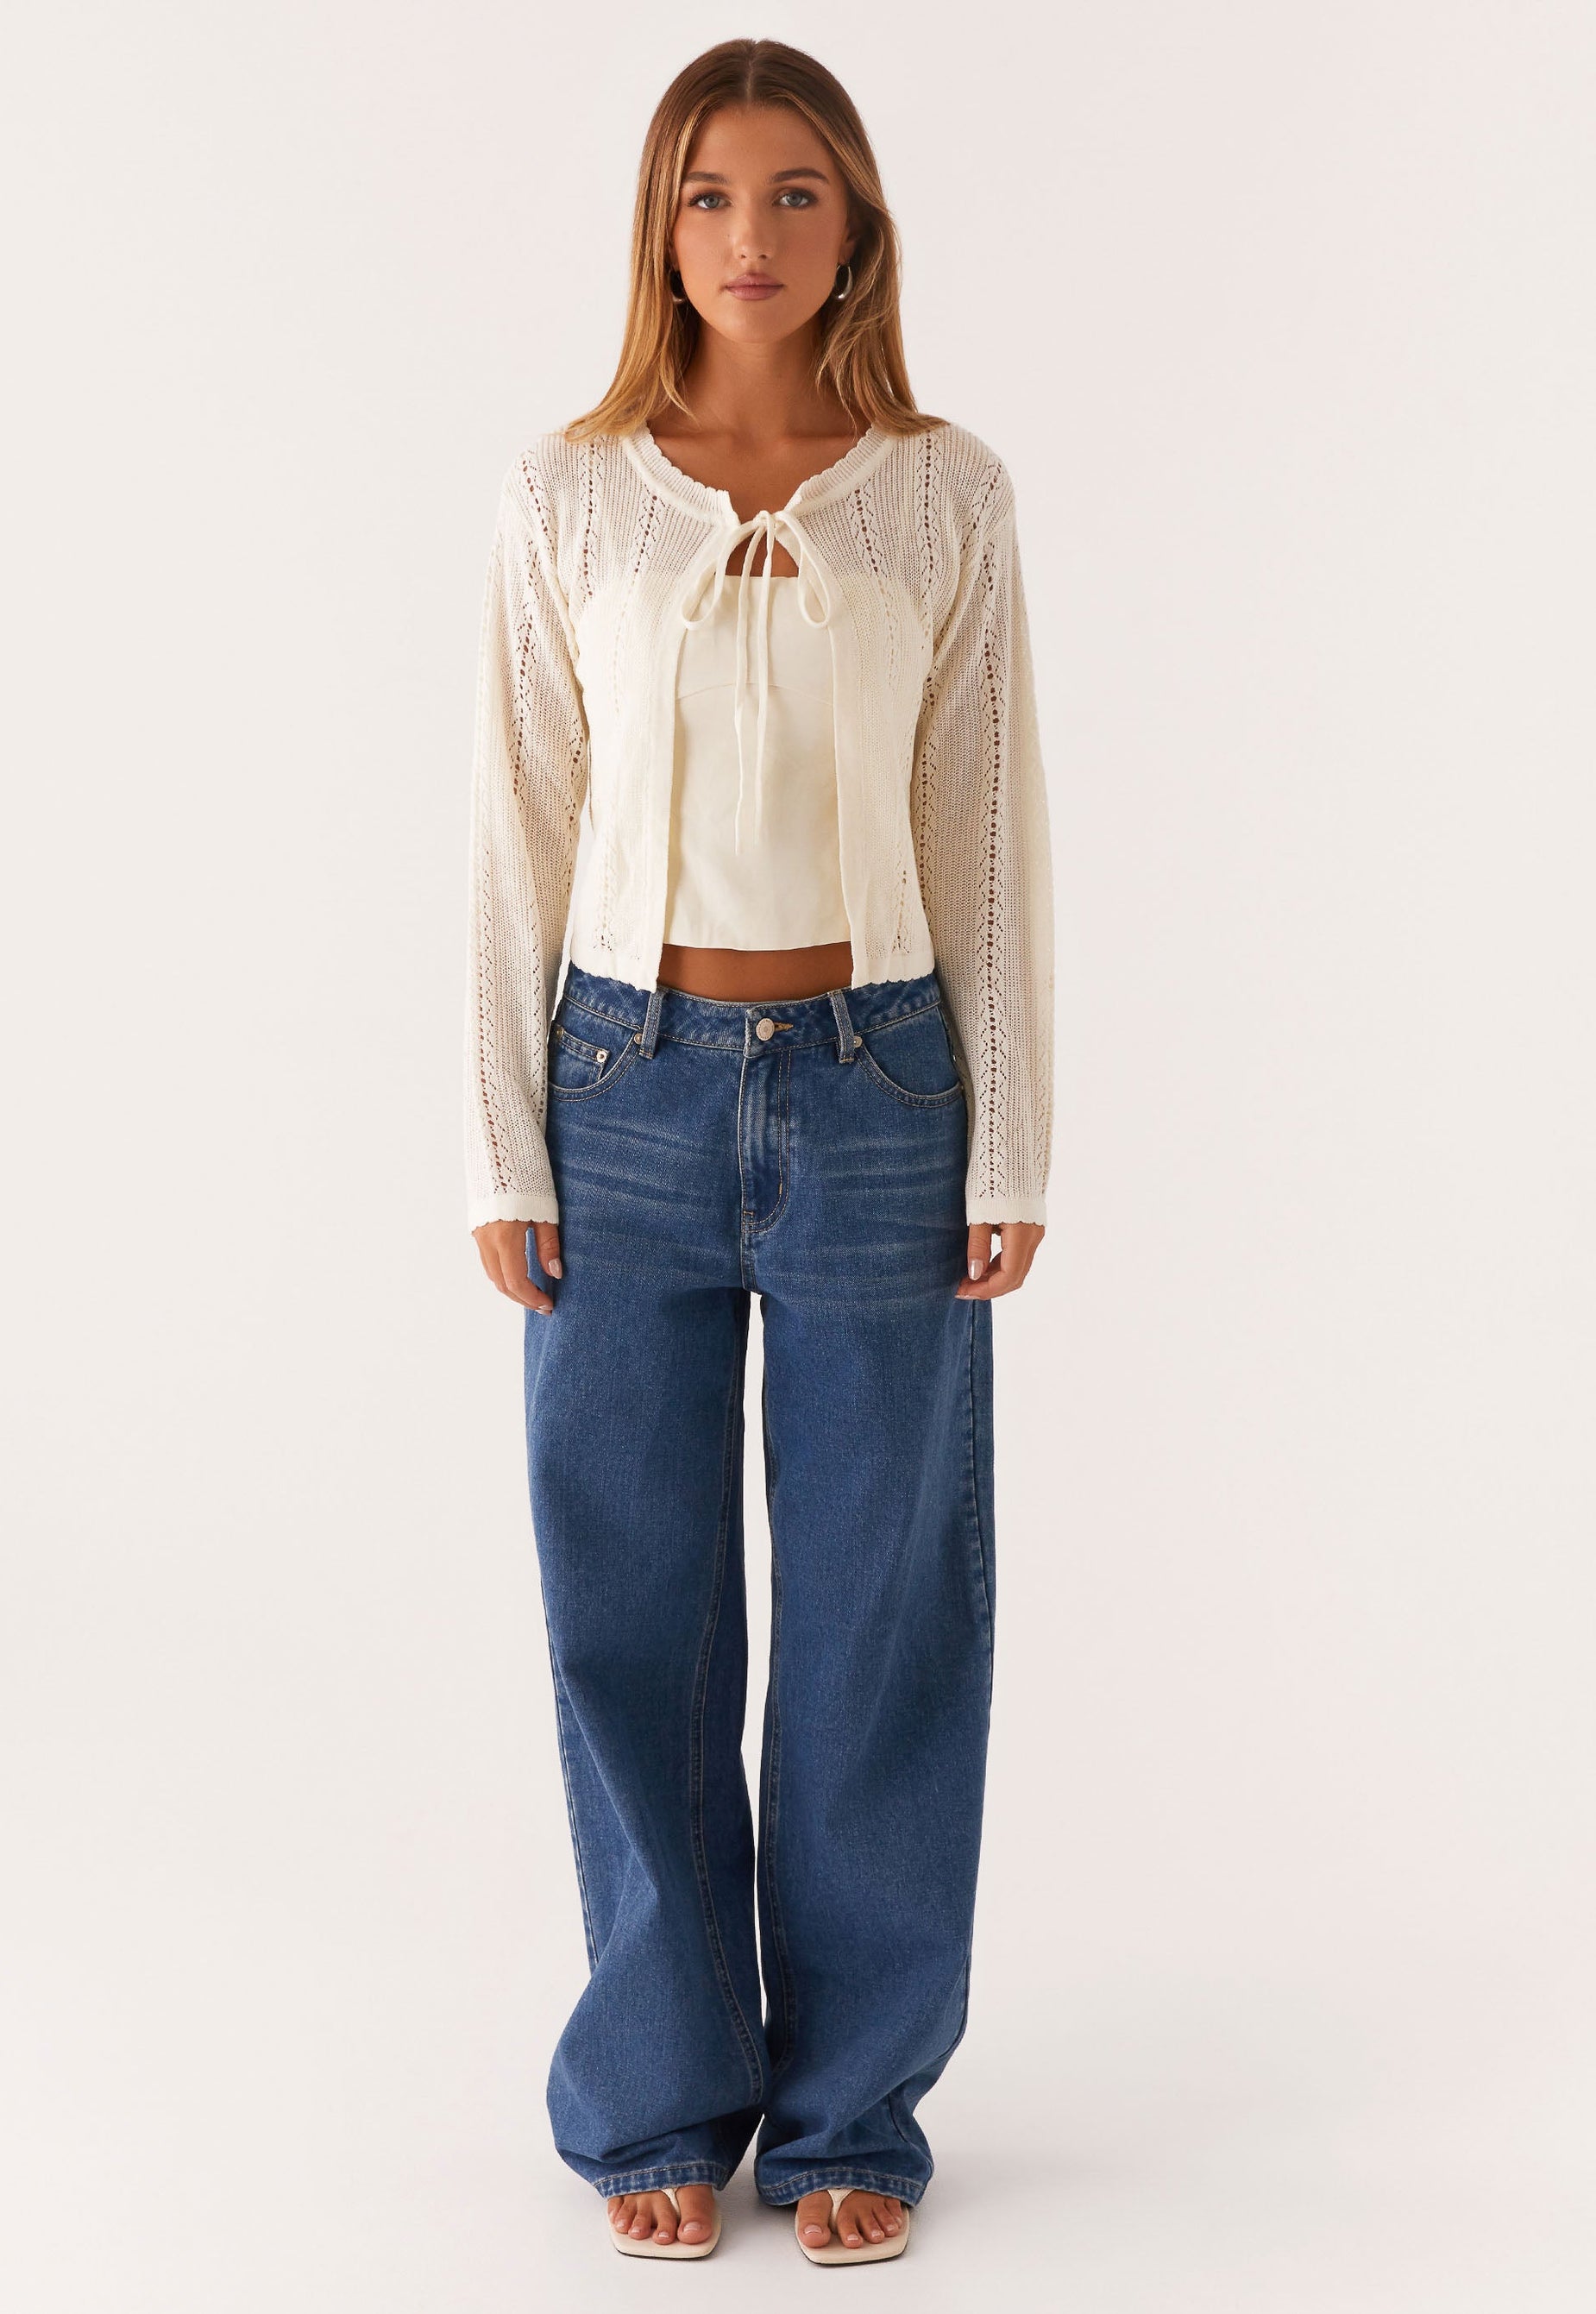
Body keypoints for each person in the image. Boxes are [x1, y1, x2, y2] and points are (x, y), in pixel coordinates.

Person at [465, 37, 1054, 2267]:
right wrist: (498, 1146)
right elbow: (517, 826)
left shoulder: (943, 495)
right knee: (627, 1603)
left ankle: (848, 2110)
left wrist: (1012, 1129)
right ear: (659, 226)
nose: (750, 235)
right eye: (709, 196)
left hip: (882, 1089)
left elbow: (981, 821)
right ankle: (657, 2089)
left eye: (795, 193)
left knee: (881, 1615)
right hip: (616, 1089)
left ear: (856, 225)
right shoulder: (569, 493)